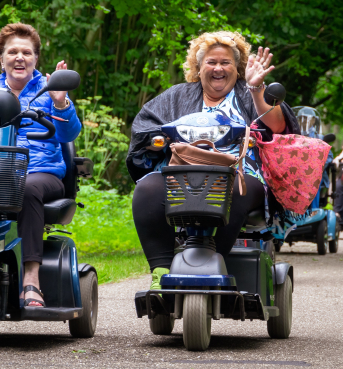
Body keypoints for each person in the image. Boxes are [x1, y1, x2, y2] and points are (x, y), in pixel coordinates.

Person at [126, 31, 300, 290]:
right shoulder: (177, 95)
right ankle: (160, 272)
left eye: (226, 62)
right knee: (147, 189)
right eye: (211, 62)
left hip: (239, 171)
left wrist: (256, 89)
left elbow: (278, 126)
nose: (218, 68)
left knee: (233, 190)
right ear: (198, 66)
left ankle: (213, 259)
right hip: (181, 170)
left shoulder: (248, 92)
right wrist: (157, 138)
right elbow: (145, 126)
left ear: (237, 67)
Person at [0, 23, 82, 307]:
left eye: (27, 52)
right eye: (13, 52)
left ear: (36, 59)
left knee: (26, 189)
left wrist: (60, 104)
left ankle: (31, 280)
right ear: (2, 59)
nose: (19, 57)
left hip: (40, 172)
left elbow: (69, 134)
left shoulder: (50, 88)